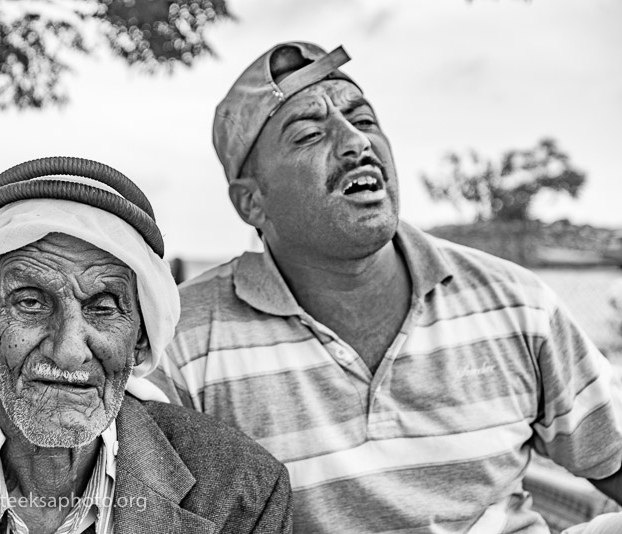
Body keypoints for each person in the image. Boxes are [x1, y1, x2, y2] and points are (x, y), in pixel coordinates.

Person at [150, 42, 622, 532]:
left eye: (365, 120)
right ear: (252, 203)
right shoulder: (181, 346)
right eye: (309, 133)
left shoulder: (515, 304)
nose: (356, 142)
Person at [0, 157, 292, 534]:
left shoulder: (239, 493)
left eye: (104, 307)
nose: (70, 351)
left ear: (141, 339)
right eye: (30, 302)